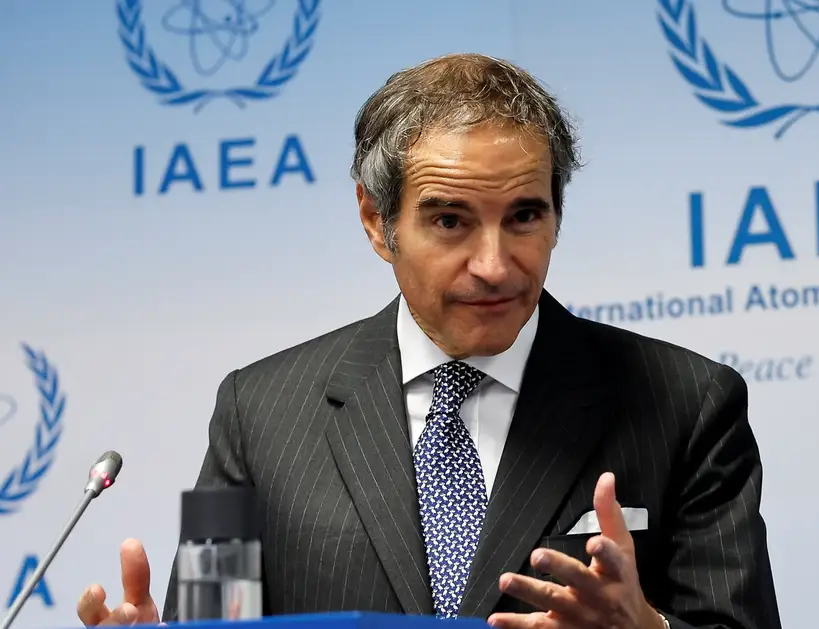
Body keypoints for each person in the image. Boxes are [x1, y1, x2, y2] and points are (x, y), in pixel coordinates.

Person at [75, 53, 781, 629]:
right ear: (376, 221)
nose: (495, 264)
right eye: (450, 221)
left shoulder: (686, 404)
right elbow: (209, 624)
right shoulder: (256, 413)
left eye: (525, 216)